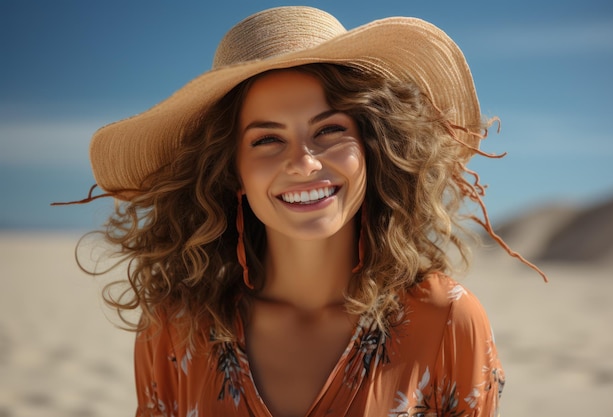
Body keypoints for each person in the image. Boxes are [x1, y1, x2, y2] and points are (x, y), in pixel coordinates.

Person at [72, 6, 546, 417]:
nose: (303, 162)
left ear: (372, 147)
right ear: (231, 170)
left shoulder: (447, 320)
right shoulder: (175, 328)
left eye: (329, 130)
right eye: (267, 139)